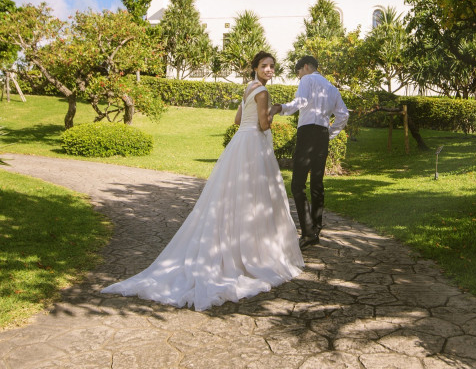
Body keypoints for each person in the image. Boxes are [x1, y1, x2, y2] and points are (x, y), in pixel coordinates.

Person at [102, 51, 304, 311]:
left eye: (272, 67)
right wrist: (276, 110)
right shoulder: (262, 92)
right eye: (264, 66)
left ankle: (238, 248)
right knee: (256, 198)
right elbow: (264, 125)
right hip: (254, 146)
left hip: (239, 146)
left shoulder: (248, 88)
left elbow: (238, 120)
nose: (269, 70)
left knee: (233, 197)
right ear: (255, 67)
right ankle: (253, 254)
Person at [270, 55, 349, 249]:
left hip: (307, 133)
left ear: (305, 67)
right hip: (321, 134)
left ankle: (307, 233)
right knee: (317, 183)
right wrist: (329, 134)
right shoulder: (331, 87)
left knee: (298, 184)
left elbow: (301, 101)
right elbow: (343, 114)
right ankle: (316, 228)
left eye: (298, 73)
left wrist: (281, 108)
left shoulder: (307, 79)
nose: (299, 77)